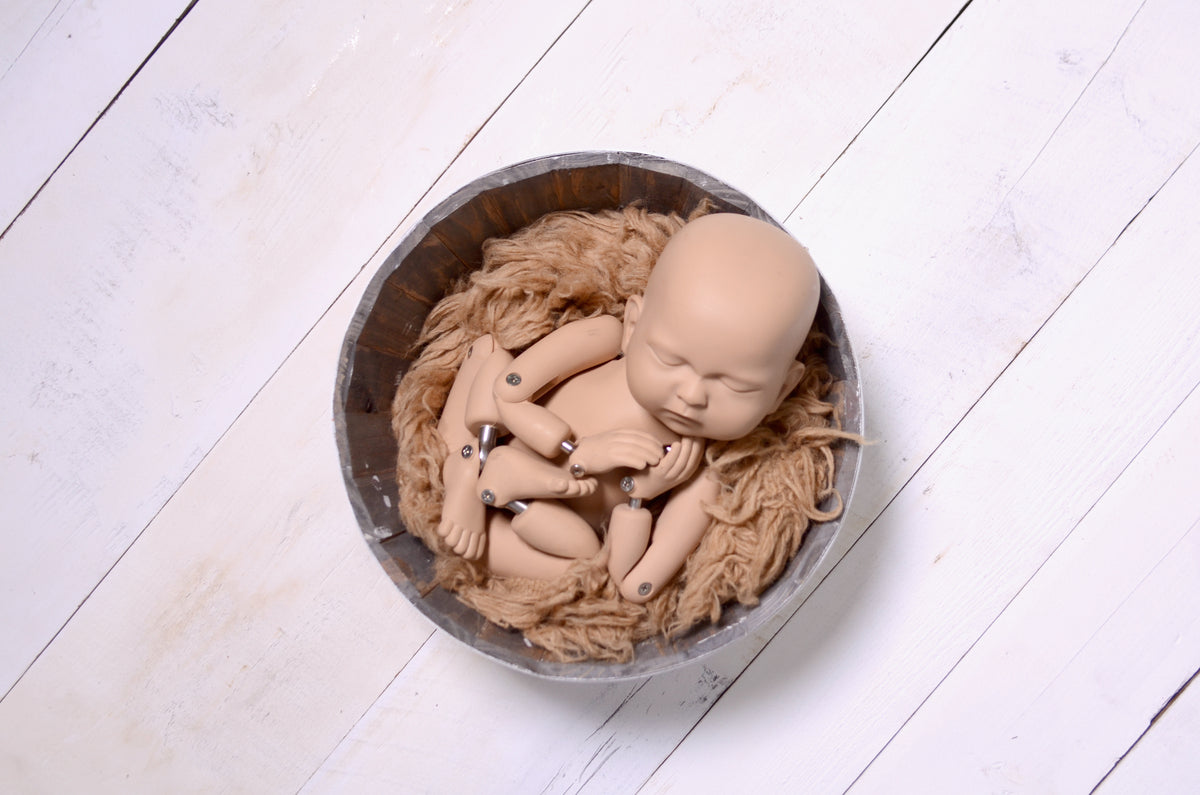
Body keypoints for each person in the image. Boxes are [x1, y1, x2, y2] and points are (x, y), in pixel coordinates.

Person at [433, 213, 821, 603]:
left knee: (586, 566)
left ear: (781, 390)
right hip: (501, 438)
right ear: (633, 325)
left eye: (735, 386)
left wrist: (642, 494)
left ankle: (487, 483)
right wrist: (579, 454)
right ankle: (465, 465)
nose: (691, 395)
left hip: (559, 527)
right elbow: (509, 391)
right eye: (670, 360)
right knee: (488, 354)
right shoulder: (603, 336)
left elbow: (634, 582)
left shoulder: (702, 473)